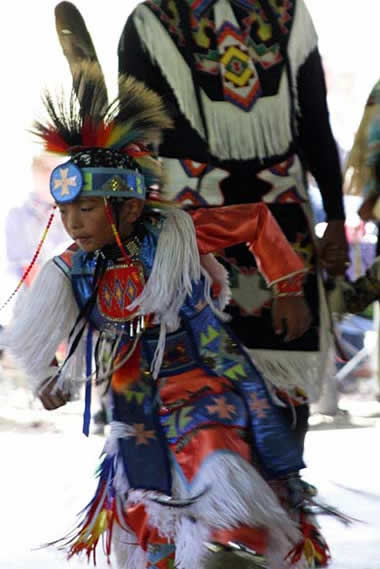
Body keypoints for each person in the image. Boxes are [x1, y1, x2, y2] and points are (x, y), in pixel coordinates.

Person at [1, 56, 332, 569]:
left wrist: (288, 287)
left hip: (207, 367)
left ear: (130, 208)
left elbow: (255, 220)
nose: (73, 224)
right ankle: (170, 556)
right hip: (132, 386)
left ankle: (231, 544)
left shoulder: (177, 233)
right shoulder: (72, 268)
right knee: (143, 482)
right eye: (65, 212)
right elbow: (33, 332)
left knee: (220, 442)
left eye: (86, 209)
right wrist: (52, 377)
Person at [117, 0, 348, 448]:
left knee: (283, 387)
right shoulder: (149, 21)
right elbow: (133, 139)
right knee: (189, 379)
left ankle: (284, 503)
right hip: (192, 232)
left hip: (277, 229)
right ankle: (210, 511)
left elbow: (316, 122)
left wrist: (336, 216)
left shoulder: (287, 15)